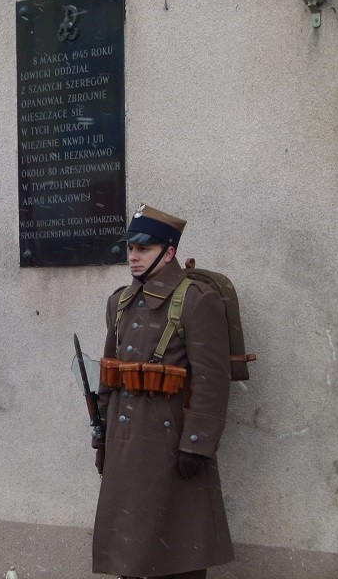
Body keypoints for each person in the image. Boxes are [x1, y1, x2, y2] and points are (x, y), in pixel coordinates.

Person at [92, 204, 234, 579]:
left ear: (168, 252)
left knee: (178, 551)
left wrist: (197, 443)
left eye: (144, 249)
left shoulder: (197, 299)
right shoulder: (119, 301)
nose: (133, 257)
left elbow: (211, 380)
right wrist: (102, 437)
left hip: (171, 442)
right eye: (130, 249)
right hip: (125, 441)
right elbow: (111, 375)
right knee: (128, 551)